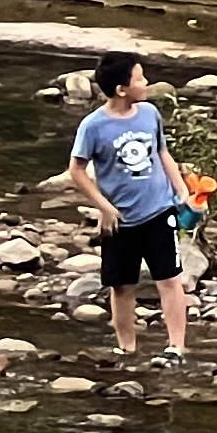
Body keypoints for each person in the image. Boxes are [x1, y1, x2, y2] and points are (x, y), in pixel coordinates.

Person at [65, 49, 197, 365]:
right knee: (122, 285)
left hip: (159, 211)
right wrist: (104, 208)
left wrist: (181, 188)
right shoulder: (93, 126)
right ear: (122, 89)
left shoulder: (149, 113)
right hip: (120, 220)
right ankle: (126, 348)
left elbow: (162, 152)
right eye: (140, 78)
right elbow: (76, 170)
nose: (146, 82)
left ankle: (175, 347)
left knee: (169, 278)